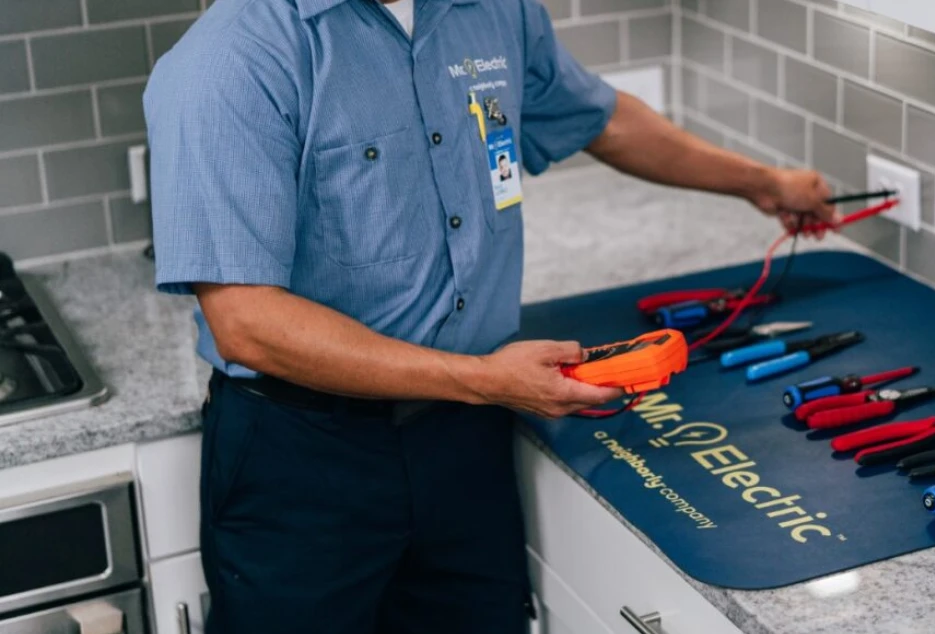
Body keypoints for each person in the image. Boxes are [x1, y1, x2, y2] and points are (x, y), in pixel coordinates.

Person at [142, 0, 837, 632]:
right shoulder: (229, 61)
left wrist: (763, 183)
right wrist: (482, 379)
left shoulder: (493, 10)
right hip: (304, 462)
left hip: (461, 443)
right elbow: (247, 320)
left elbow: (599, 119)